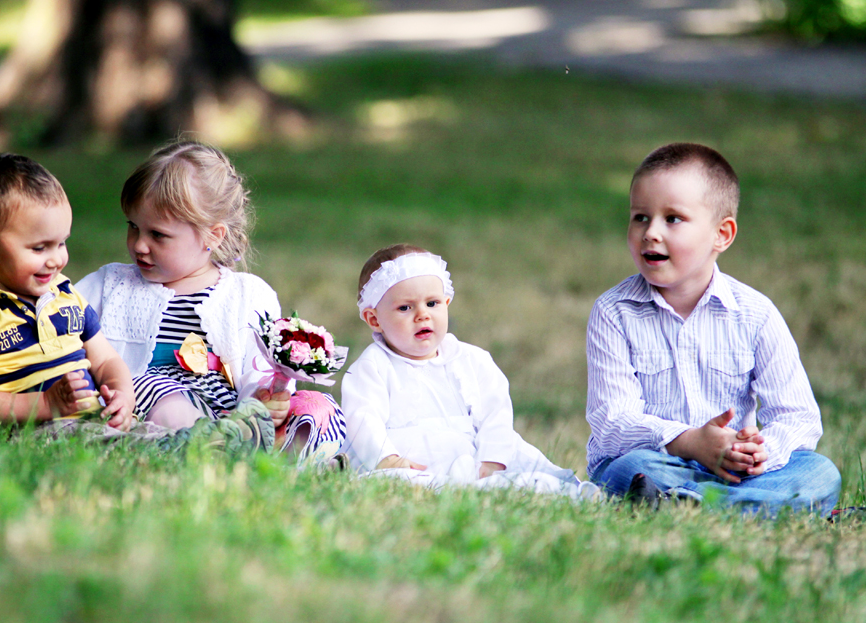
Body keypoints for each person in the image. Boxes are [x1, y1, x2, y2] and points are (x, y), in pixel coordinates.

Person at [0, 141, 343, 464]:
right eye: (133, 227)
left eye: (158, 234)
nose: (139, 245)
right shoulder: (112, 285)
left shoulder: (247, 294)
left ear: (211, 237)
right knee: (167, 400)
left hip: (235, 411)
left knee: (314, 407)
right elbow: (25, 317)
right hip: (148, 407)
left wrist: (270, 397)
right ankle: (207, 458)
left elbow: (266, 360)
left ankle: (285, 459)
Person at [586, 142, 841, 515]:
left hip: (735, 471)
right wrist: (689, 442)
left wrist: (757, 451)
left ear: (722, 234)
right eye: (640, 216)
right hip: (660, 464)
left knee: (821, 474)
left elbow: (798, 417)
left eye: (672, 219)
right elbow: (613, 422)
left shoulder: (755, 315)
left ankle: (687, 506)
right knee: (625, 471)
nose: (651, 232)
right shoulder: (614, 312)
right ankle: (751, 509)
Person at [341, 244, 599, 498]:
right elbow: (363, 420)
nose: (423, 315)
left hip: (475, 456)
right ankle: (444, 489)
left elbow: (495, 414)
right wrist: (387, 459)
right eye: (405, 308)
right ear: (374, 319)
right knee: (395, 482)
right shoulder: (372, 367)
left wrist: (492, 458)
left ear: (447, 302)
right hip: (411, 461)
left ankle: (568, 493)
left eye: (432, 303)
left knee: (523, 470)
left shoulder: (472, 360)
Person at [0, 153, 135, 427]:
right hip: (33, 431)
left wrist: (122, 393)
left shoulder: (64, 293)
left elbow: (105, 358)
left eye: (61, 243)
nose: (56, 260)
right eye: (39, 248)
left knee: (168, 440)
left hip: (94, 421)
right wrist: (46, 404)